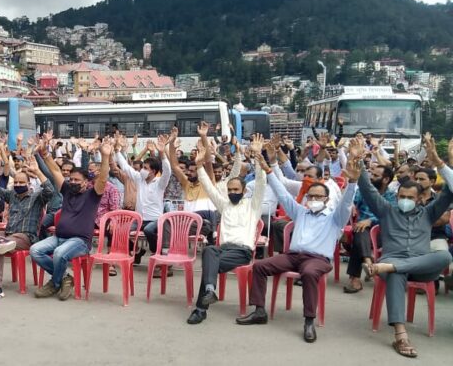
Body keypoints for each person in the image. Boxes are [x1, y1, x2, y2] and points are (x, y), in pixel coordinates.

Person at [236, 147, 358, 344]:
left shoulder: (335, 218)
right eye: (311, 196)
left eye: (319, 196)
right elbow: (283, 194)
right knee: (259, 266)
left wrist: (352, 182)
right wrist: (268, 170)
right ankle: (259, 310)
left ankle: (309, 321)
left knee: (309, 273)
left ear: (327, 200)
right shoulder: (301, 212)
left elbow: (345, 204)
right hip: (293, 256)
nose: (315, 199)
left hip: (318, 260)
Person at [359, 136, 453, 358]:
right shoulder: (387, 211)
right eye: (401, 196)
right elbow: (368, 190)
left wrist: (443, 161)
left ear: (420, 198)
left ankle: (391, 267)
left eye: (410, 197)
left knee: (444, 257)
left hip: (422, 266)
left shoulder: (429, 212)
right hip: (394, 264)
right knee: (396, 274)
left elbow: (450, 190)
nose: (404, 200)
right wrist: (360, 163)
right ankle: (401, 335)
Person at [188, 134, 266, 324]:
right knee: (209, 251)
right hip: (222, 250)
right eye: (230, 190)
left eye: (236, 190)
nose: (232, 193)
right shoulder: (224, 205)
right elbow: (209, 187)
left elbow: (261, 183)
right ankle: (209, 290)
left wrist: (257, 157)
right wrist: (199, 166)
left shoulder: (252, 206)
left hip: (241, 252)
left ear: (244, 191)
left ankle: (201, 309)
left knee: (208, 265)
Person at [30, 133, 110, 301]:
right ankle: (66, 277)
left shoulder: (93, 195)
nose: (72, 182)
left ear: (86, 182)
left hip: (80, 241)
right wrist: (45, 154)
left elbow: (102, 179)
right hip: (59, 237)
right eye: (71, 179)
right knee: (35, 250)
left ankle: (54, 283)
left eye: (76, 180)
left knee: (59, 253)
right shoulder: (66, 190)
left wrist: (105, 156)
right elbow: (54, 170)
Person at [0, 152, 53, 301]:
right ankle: (0, 242)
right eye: (16, 183)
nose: (18, 185)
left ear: (28, 184)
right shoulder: (11, 195)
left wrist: (38, 172)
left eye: (21, 183)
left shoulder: (37, 197)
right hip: (8, 236)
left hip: (26, 237)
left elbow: (50, 190)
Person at [115, 133, 172, 266]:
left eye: (145, 168)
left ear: (153, 171)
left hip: (155, 220)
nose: (142, 170)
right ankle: (136, 250)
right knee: (122, 230)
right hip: (139, 220)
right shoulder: (139, 179)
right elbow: (125, 167)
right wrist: (118, 150)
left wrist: (162, 153)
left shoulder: (160, 183)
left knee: (148, 231)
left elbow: (168, 171)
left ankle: (155, 252)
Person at [343, 164, 395, 293]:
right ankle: (368, 262)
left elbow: (391, 215)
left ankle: (355, 278)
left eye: (376, 175)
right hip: (361, 231)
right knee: (360, 233)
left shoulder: (392, 196)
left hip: (382, 233)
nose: (371, 177)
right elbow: (351, 201)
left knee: (360, 234)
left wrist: (371, 221)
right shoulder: (362, 192)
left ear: (386, 180)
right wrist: (352, 205)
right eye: (371, 174)